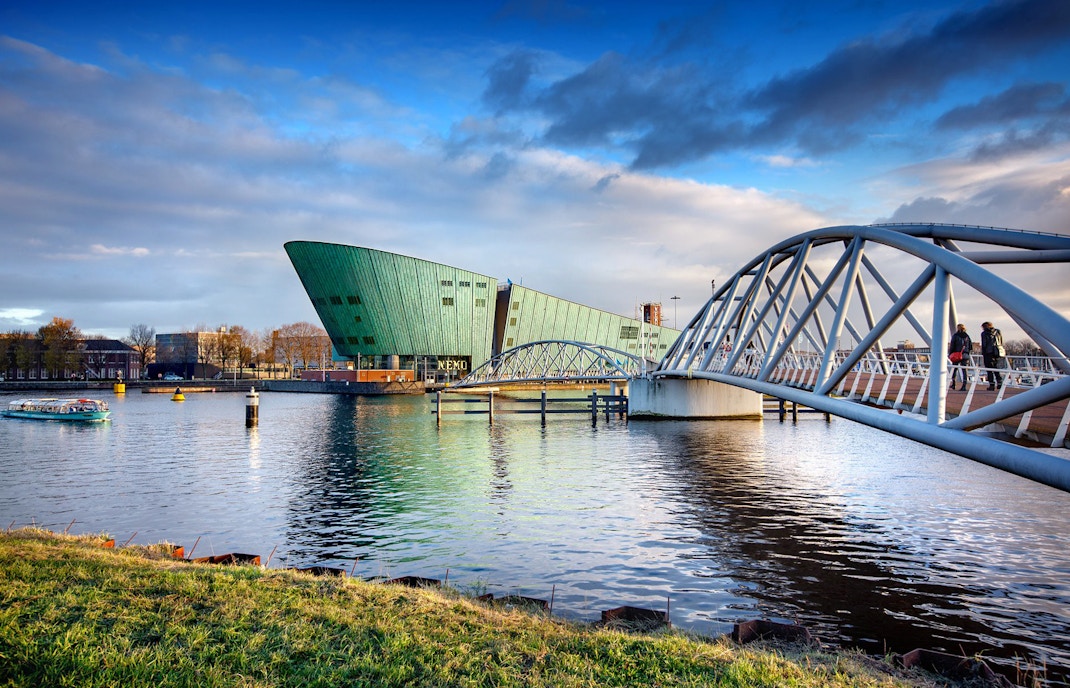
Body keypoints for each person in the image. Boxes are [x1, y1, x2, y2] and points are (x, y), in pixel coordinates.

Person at [980, 321, 1005, 390]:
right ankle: (999, 383)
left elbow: (984, 344)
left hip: (988, 352)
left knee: (989, 369)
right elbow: (1001, 341)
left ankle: (992, 385)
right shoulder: (997, 331)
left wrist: (983, 352)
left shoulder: (984, 333)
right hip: (997, 351)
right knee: (996, 367)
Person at [947, 323, 972, 390]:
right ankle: (964, 385)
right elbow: (970, 346)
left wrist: (950, 353)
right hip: (965, 355)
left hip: (956, 355)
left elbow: (952, 346)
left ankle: (954, 384)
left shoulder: (955, 336)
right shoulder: (967, 336)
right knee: (964, 370)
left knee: (954, 369)